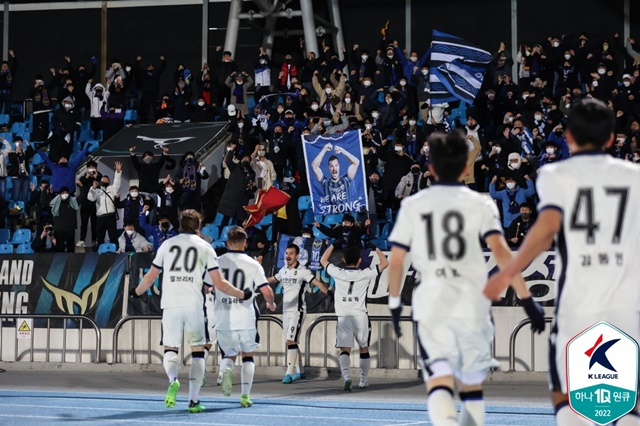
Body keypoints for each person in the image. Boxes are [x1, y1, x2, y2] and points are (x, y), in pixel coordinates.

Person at [485, 98, 640, 426]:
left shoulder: (555, 174)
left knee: (567, 397)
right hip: (627, 301)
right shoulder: (635, 177)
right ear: (612, 138)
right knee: (626, 403)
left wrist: (508, 271)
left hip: (579, 302)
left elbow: (547, 227)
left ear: (567, 137)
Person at [387, 131, 545, 426]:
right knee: (472, 386)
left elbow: (396, 261)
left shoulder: (413, 205)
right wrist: (527, 300)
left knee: (439, 379)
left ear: (430, 168)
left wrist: (395, 303)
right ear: (465, 168)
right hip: (470, 302)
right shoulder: (481, 203)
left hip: (432, 299)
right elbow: (502, 254)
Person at [131, 209, 253, 413]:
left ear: (179, 224)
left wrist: (136, 292)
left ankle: (173, 379)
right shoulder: (206, 247)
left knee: (171, 349)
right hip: (194, 305)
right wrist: (243, 294)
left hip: (170, 304)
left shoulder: (167, 245)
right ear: (198, 226)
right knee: (198, 351)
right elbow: (219, 283)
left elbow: (150, 277)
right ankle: (193, 401)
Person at [215, 227, 276, 407]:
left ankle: (226, 369)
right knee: (247, 355)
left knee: (229, 353)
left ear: (227, 243)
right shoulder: (253, 264)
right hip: (246, 317)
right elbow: (267, 290)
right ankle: (245, 396)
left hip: (223, 316)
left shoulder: (217, 262)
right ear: (245, 242)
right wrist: (271, 303)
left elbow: (206, 287)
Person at [320, 243, 388, 391]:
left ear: (344, 260)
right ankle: (363, 380)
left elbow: (323, 261)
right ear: (359, 261)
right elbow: (385, 263)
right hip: (360, 316)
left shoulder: (338, 272)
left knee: (345, 349)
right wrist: (374, 247)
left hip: (343, 316)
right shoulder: (365, 273)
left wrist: (333, 244)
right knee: (364, 348)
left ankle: (347, 377)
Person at [267, 243, 330, 384]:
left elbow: (317, 282)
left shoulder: (303, 271)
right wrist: (258, 282)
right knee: (291, 341)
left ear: (297, 256)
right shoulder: (284, 270)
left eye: (291, 253)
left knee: (291, 341)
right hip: (286, 311)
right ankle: (300, 371)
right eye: (286, 253)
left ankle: (289, 373)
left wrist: (329, 293)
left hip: (297, 311)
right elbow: (273, 279)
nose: (287, 256)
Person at [311, 142, 360, 213]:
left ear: (339, 166)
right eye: (331, 166)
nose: (334, 169)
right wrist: (324, 149)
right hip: (330, 215)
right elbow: (314, 166)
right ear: (329, 168)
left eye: (336, 165)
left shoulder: (346, 180)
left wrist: (342, 150)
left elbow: (356, 162)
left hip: (346, 215)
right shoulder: (325, 182)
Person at [88, 161, 122, 245]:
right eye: (103, 180)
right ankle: (100, 253)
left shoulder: (112, 189)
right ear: (100, 181)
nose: (105, 181)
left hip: (111, 216)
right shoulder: (97, 190)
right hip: (100, 217)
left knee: (113, 236)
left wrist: (118, 172)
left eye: (107, 180)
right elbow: (91, 198)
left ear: (109, 181)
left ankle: (115, 253)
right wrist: (93, 188)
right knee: (100, 237)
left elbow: (117, 182)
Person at [49, 186, 78, 253]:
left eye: (66, 192)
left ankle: (71, 263)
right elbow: (44, 200)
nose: (64, 194)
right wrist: (45, 190)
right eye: (63, 193)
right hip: (59, 230)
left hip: (70, 229)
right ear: (60, 194)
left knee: (71, 249)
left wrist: (82, 186)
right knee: (59, 250)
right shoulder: (55, 202)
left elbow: (82, 197)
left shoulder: (73, 202)